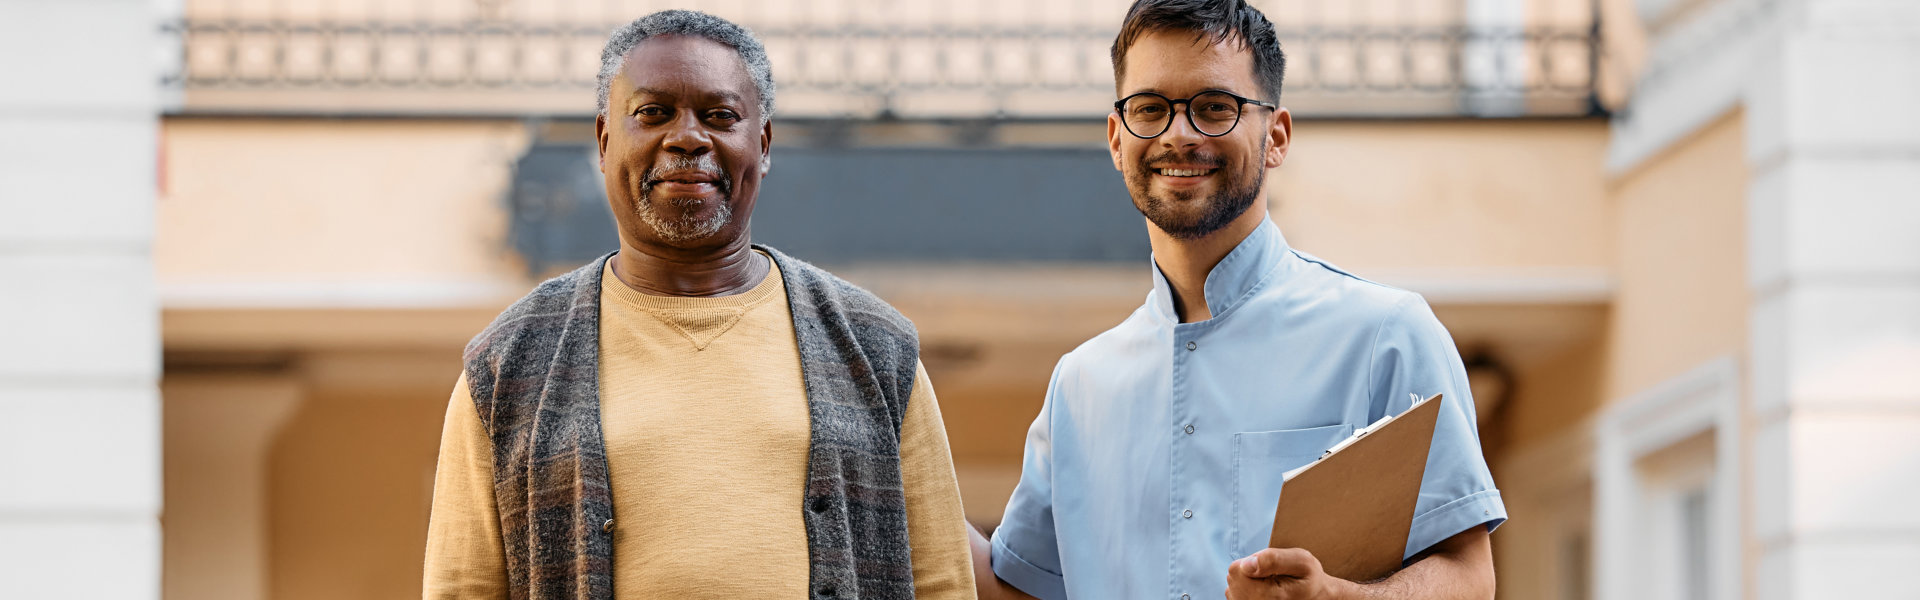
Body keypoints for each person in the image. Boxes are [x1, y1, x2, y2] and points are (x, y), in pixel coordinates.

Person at [422, 10, 975, 599]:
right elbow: (462, 587)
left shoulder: (875, 349)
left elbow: (943, 582)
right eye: (654, 113)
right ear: (605, 142)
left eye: (720, 116)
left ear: (761, 146)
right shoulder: (510, 364)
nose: (687, 137)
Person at [970, 1, 1504, 599]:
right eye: (1150, 109)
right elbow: (1015, 589)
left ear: (1276, 137)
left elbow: (1468, 578)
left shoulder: (1386, 336)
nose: (1179, 134)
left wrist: (1336, 597)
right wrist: (890, 436)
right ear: (1117, 139)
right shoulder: (1079, 386)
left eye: (1214, 108)